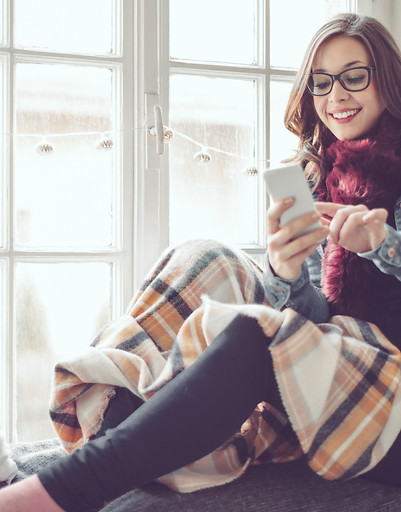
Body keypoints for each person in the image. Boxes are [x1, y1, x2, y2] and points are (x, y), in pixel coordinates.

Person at [1, 12, 401, 512]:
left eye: (354, 76)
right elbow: (311, 324)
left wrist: (382, 244)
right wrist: (285, 272)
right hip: (340, 380)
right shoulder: (318, 179)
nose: (335, 95)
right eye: (321, 81)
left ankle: (60, 491)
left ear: (386, 79)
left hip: (394, 402)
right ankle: (112, 427)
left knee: (257, 333)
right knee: (208, 257)